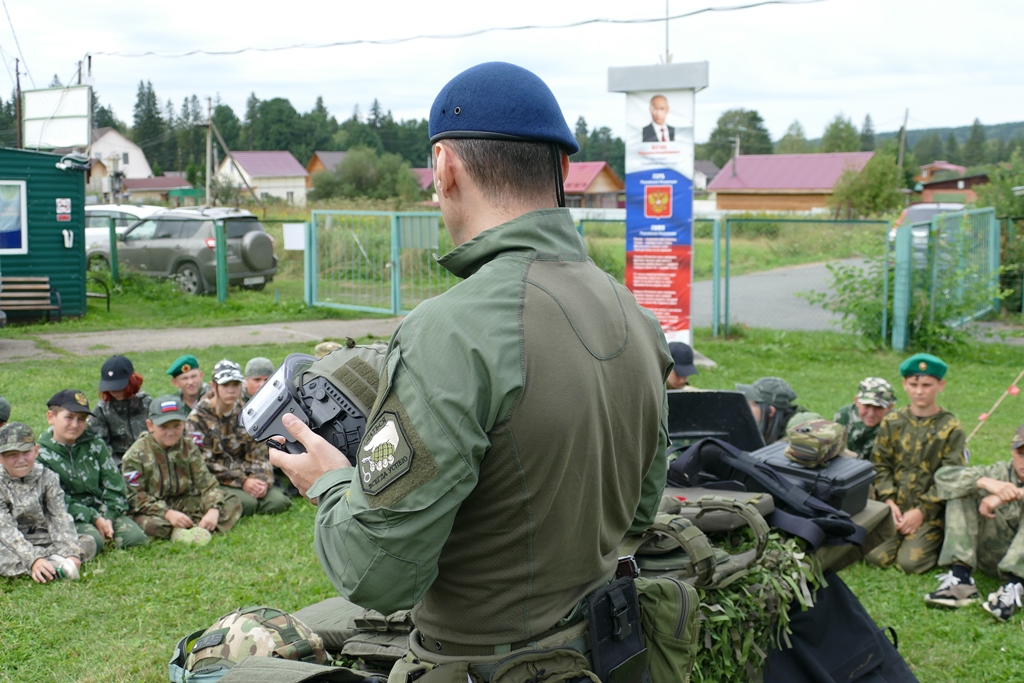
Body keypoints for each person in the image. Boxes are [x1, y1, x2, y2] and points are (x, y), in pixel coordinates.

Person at [272, 61, 671, 660]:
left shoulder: (452, 329)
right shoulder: (634, 316)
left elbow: (376, 574)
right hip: (607, 651)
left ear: (444, 167)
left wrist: (330, 483)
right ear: (563, 168)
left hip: (489, 662)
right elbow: (639, 513)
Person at [866, 353, 966, 574]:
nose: (919, 391)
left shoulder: (950, 427)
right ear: (904, 385)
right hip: (894, 507)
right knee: (875, 556)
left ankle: (936, 537)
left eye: (927, 385)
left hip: (929, 511)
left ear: (941, 385)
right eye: (913, 384)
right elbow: (880, 465)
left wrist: (922, 511)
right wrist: (888, 502)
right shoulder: (893, 422)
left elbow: (951, 477)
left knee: (910, 563)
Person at [924, 424, 1024, 621]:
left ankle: (1014, 587)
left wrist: (1009, 496)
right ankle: (960, 578)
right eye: (1021, 453)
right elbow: (943, 478)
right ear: (1012, 452)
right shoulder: (999, 473)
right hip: (991, 552)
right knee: (962, 489)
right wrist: (984, 482)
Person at [37, 389, 148, 553]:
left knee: (135, 538)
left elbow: (115, 484)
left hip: (100, 509)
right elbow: (54, 500)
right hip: (68, 515)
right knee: (94, 541)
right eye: (69, 417)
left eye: (81, 419)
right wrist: (94, 518)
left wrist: (108, 516)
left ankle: (105, 530)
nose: (75, 424)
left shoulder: (94, 444)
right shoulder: (41, 454)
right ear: (51, 417)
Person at [122, 395, 242, 544]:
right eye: (163, 427)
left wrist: (213, 510)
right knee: (154, 525)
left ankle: (197, 526)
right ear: (150, 425)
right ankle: (185, 529)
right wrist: (167, 513)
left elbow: (207, 484)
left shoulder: (187, 446)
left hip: (183, 502)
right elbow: (135, 498)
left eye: (176, 426)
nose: (171, 432)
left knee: (232, 500)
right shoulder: (135, 455)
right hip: (152, 510)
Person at [187, 360, 290, 517]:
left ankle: (251, 493)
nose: (231, 390)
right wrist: (243, 482)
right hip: (217, 479)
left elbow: (259, 451)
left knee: (278, 502)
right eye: (226, 385)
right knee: (248, 504)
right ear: (213, 386)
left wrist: (260, 479)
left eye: (235, 384)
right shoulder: (197, 418)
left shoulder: (246, 413)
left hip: (247, 473)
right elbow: (203, 463)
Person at [0, 422, 94, 582]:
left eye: (26, 452)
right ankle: (49, 567)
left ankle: (51, 566)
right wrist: (33, 559)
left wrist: (70, 553)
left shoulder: (48, 477)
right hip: (8, 540)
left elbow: (59, 517)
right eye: (12, 455)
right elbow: (5, 529)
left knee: (88, 541)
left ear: (36, 451)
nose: (21, 460)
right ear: (0, 458)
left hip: (40, 535)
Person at [88, 355, 152, 465]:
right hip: (117, 465)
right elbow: (100, 445)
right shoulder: (102, 410)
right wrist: (119, 466)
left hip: (149, 461)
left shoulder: (147, 404)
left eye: (119, 387)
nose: (114, 391)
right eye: (110, 387)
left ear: (132, 381)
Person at [834, 377, 896, 459]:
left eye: (878, 408)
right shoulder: (843, 416)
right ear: (856, 401)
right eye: (867, 406)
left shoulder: (895, 424)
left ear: (890, 407)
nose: (871, 414)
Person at [737, 377, 800, 444]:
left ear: (771, 411)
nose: (746, 407)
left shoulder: (795, 437)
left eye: (752, 404)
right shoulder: (772, 426)